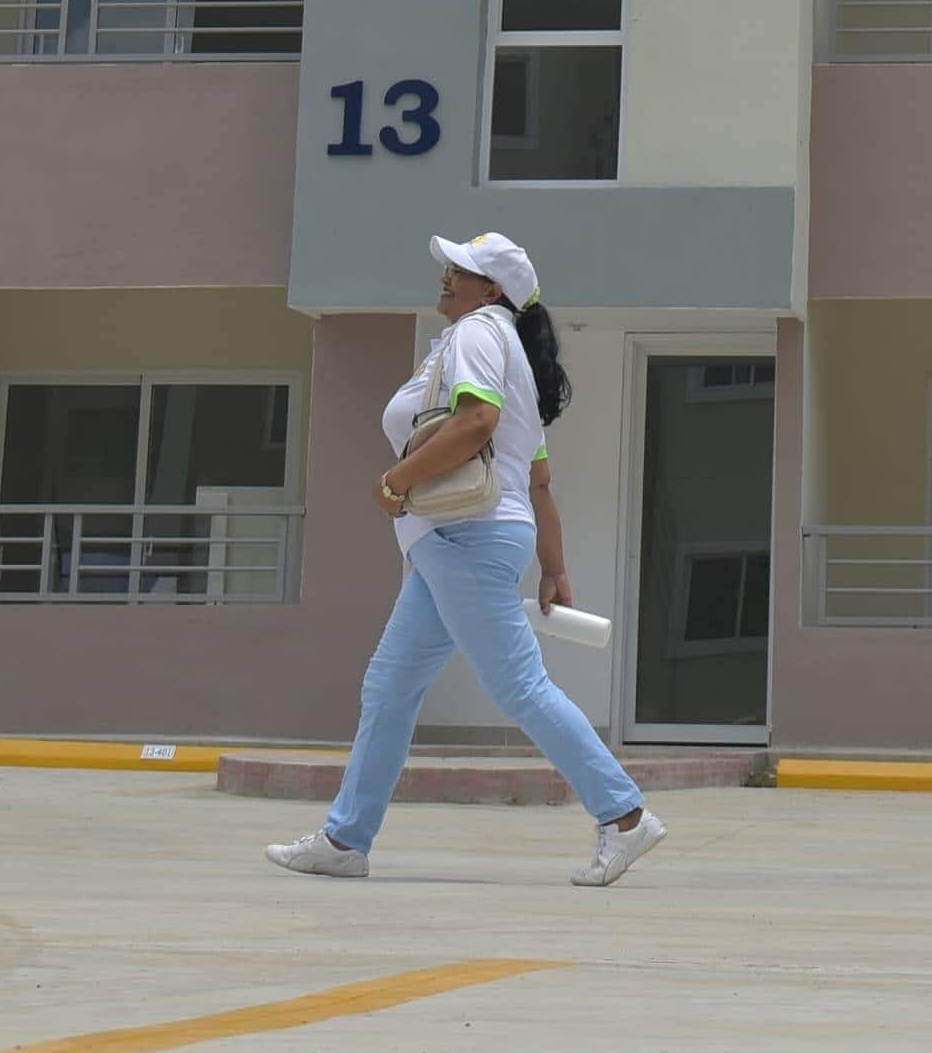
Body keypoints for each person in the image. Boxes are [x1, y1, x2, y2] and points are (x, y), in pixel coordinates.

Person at [266, 230, 667, 888]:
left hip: (466, 539)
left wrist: (395, 483)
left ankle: (624, 815)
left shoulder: (481, 332)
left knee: (519, 685)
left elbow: (476, 423)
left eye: (464, 268)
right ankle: (345, 837)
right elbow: (537, 480)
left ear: (493, 290)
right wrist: (554, 567)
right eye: (451, 265)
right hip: (461, 543)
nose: (447, 274)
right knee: (390, 687)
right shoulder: (494, 344)